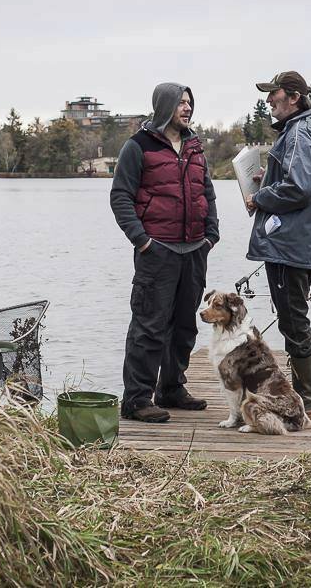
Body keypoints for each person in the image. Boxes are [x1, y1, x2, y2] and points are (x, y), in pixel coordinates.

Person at [110, 82, 220, 423]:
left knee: (185, 325)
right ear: (164, 107)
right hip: (157, 252)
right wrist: (143, 242)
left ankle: (171, 388)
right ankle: (137, 399)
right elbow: (120, 198)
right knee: (149, 326)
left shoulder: (194, 146)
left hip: (194, 250)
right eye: (181, 103)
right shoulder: (138, 147)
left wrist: (211, 235)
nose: (187, 108)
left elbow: (207, 193)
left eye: (190, 102)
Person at [246, 71, 311, 420]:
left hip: (291, 243)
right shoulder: (305, 129)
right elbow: (298, 179)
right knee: (293, 316)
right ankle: (306, 397)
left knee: (293, 319)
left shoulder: (301, 131)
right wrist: (267, 178)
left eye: (274, 94)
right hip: (300, 241)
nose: (269, 100)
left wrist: (261, 197)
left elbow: (299, 188)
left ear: (295, 97)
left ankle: (307, 400)